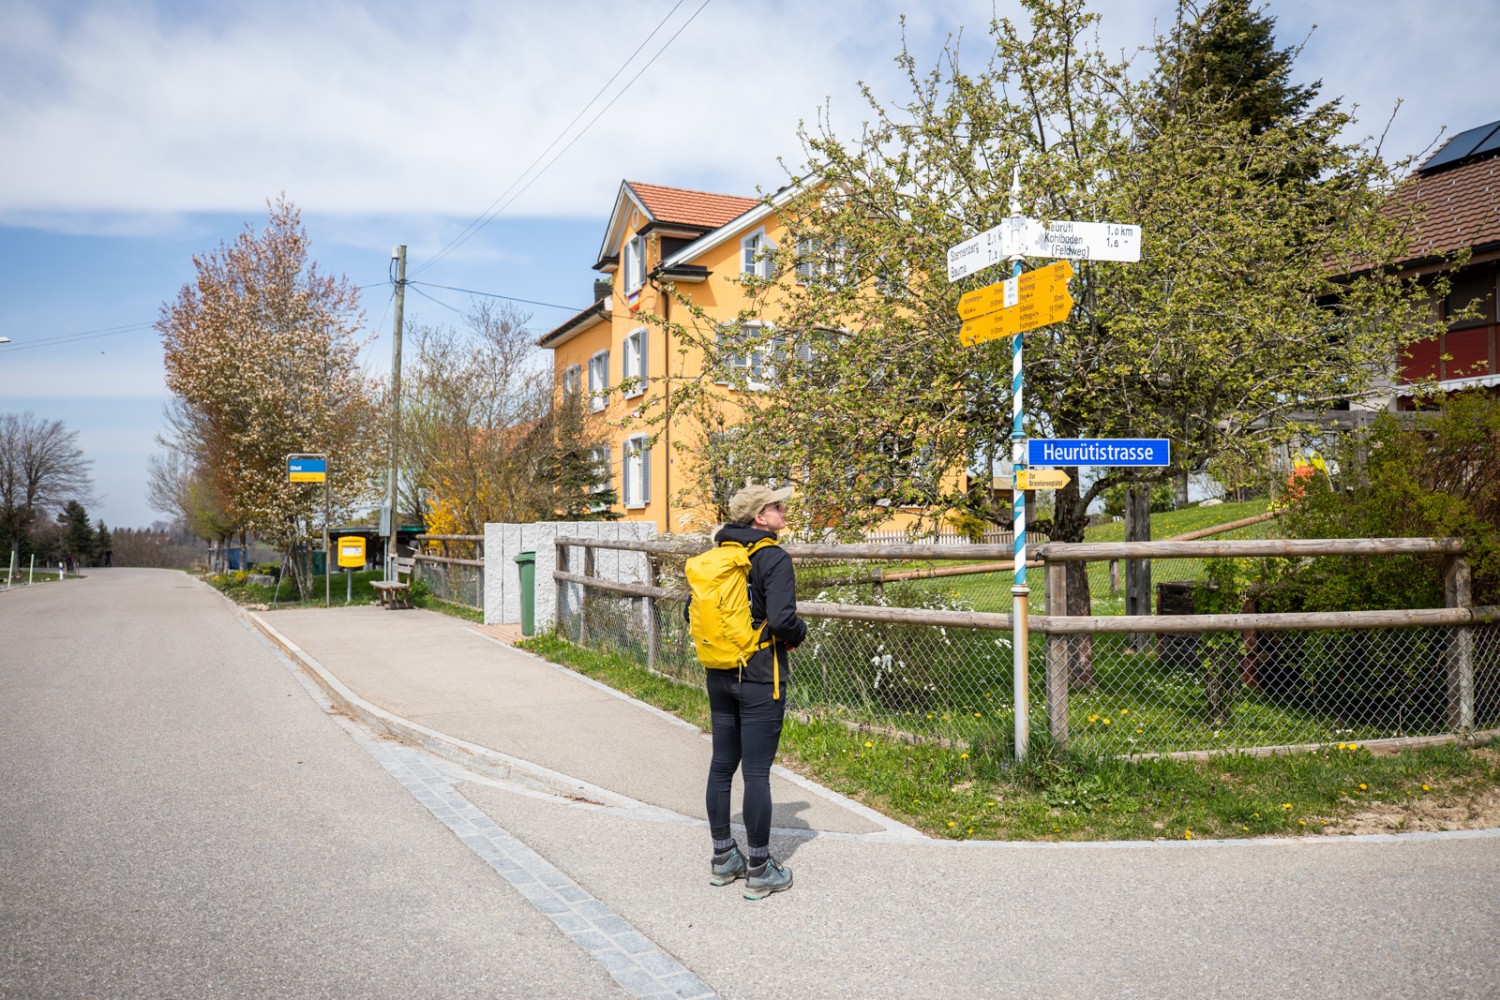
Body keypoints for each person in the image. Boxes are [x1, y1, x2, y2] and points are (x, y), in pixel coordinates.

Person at [702, 483, 807, 900]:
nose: (784, 512)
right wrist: (799, 633)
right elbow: (783, 620)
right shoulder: (772, 557)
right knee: (757, 772)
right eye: (777, 507)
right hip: (762, 675)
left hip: (720, 671)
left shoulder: (718, 556)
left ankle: (724, 857)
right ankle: (761, 867)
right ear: (760, 517)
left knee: (722, 764)